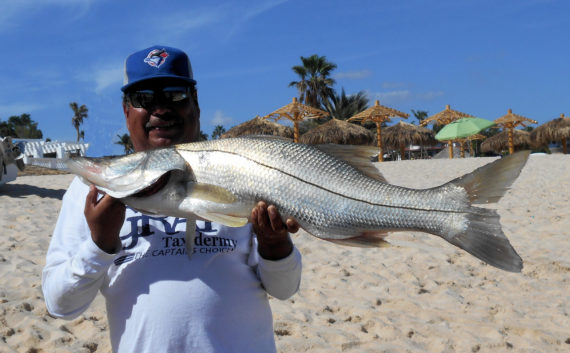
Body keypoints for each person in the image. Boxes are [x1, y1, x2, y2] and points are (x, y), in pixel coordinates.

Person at [42, 45, 302, 353]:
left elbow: (285, 290)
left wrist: (275, 246)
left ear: (196, 106)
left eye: (175, 95)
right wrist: (99, 245)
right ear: (127, 112)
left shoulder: (241, 169)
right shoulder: (92, 190)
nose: (161, 109)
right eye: (144, 99)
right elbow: (61, 304)